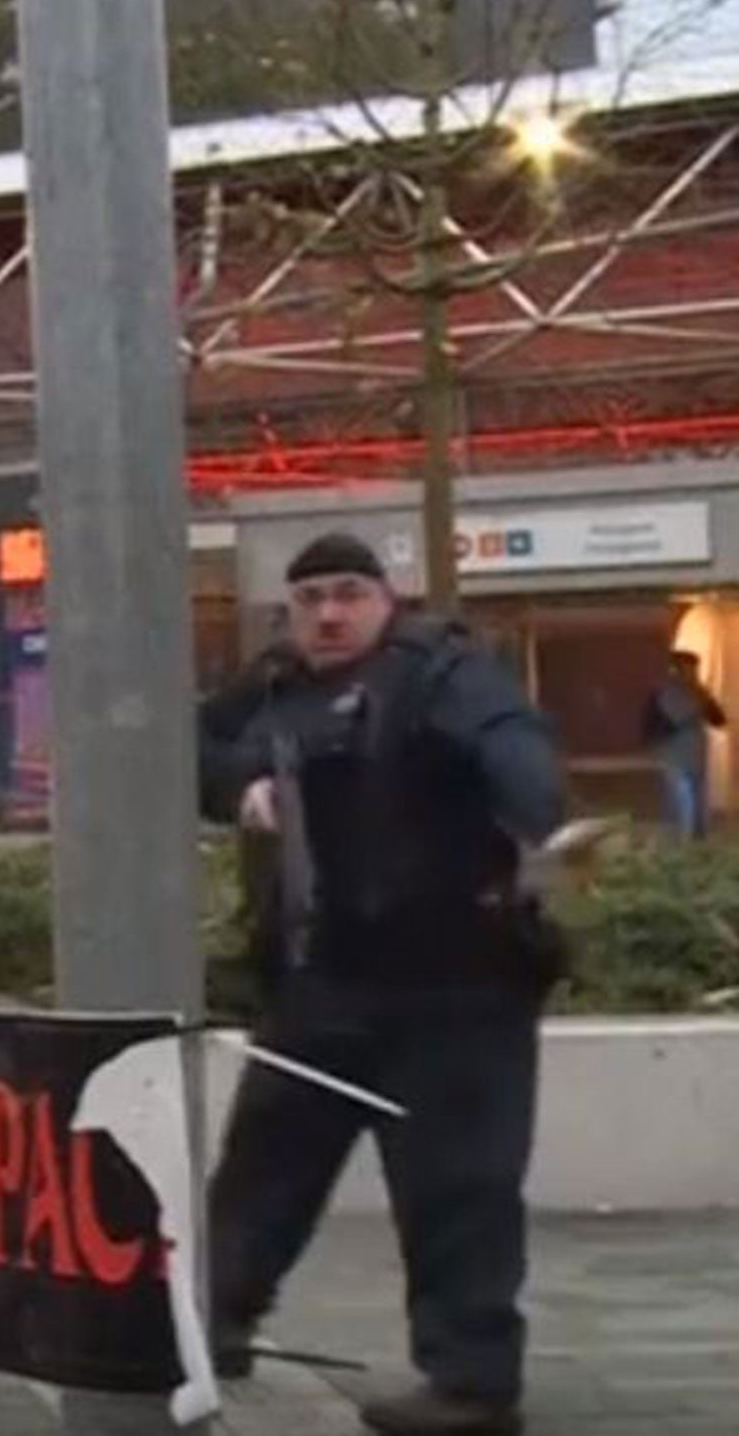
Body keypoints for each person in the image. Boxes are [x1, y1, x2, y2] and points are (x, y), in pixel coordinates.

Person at [198, 532, 569, 1436]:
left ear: (385, 600)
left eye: (350, 594)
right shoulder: (277, 688)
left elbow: (514, 748)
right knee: (261, 1170)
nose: (329, 613)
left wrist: (542, 830)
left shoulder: (442, 673)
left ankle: (472, 1386)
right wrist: (241, 782)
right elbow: (199, 748)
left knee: (459, 1190)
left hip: (456, 987)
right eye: (312, 596)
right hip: (323, 985)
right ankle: (210, 1323)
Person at [643, 650, 726, 839]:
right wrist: (700, 699)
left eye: (695, 669)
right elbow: (680, 717)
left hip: (697, 755)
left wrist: (706, 698)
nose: (694, 673)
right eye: (689, 669)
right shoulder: (667, 691)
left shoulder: (698, 691)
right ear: (677, 670)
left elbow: (718, 720)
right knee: (684, 803)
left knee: (699, 804)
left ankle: (699, 841)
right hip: (675, 756)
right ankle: (683, 842)